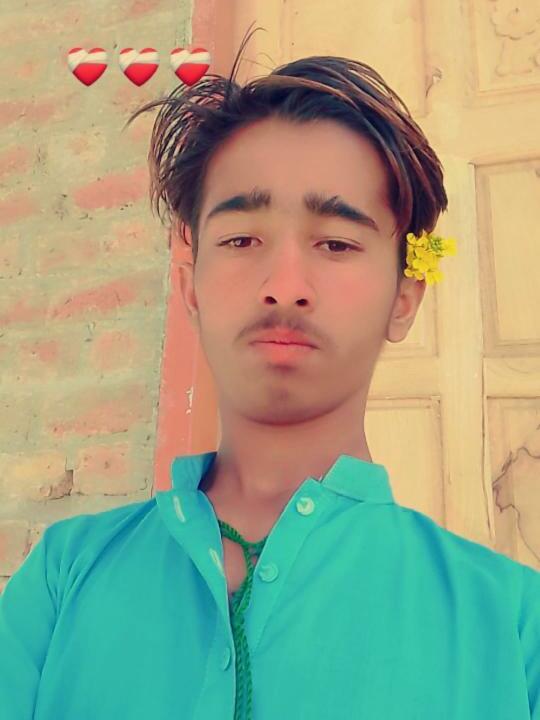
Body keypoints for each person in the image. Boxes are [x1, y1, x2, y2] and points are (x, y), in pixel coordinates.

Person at [1, 23, 538, 720]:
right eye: (241, 238)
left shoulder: (514, 630)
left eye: (336, 243)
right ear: (190, 286)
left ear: (403, 299)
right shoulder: (61, 579)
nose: (284, 286)